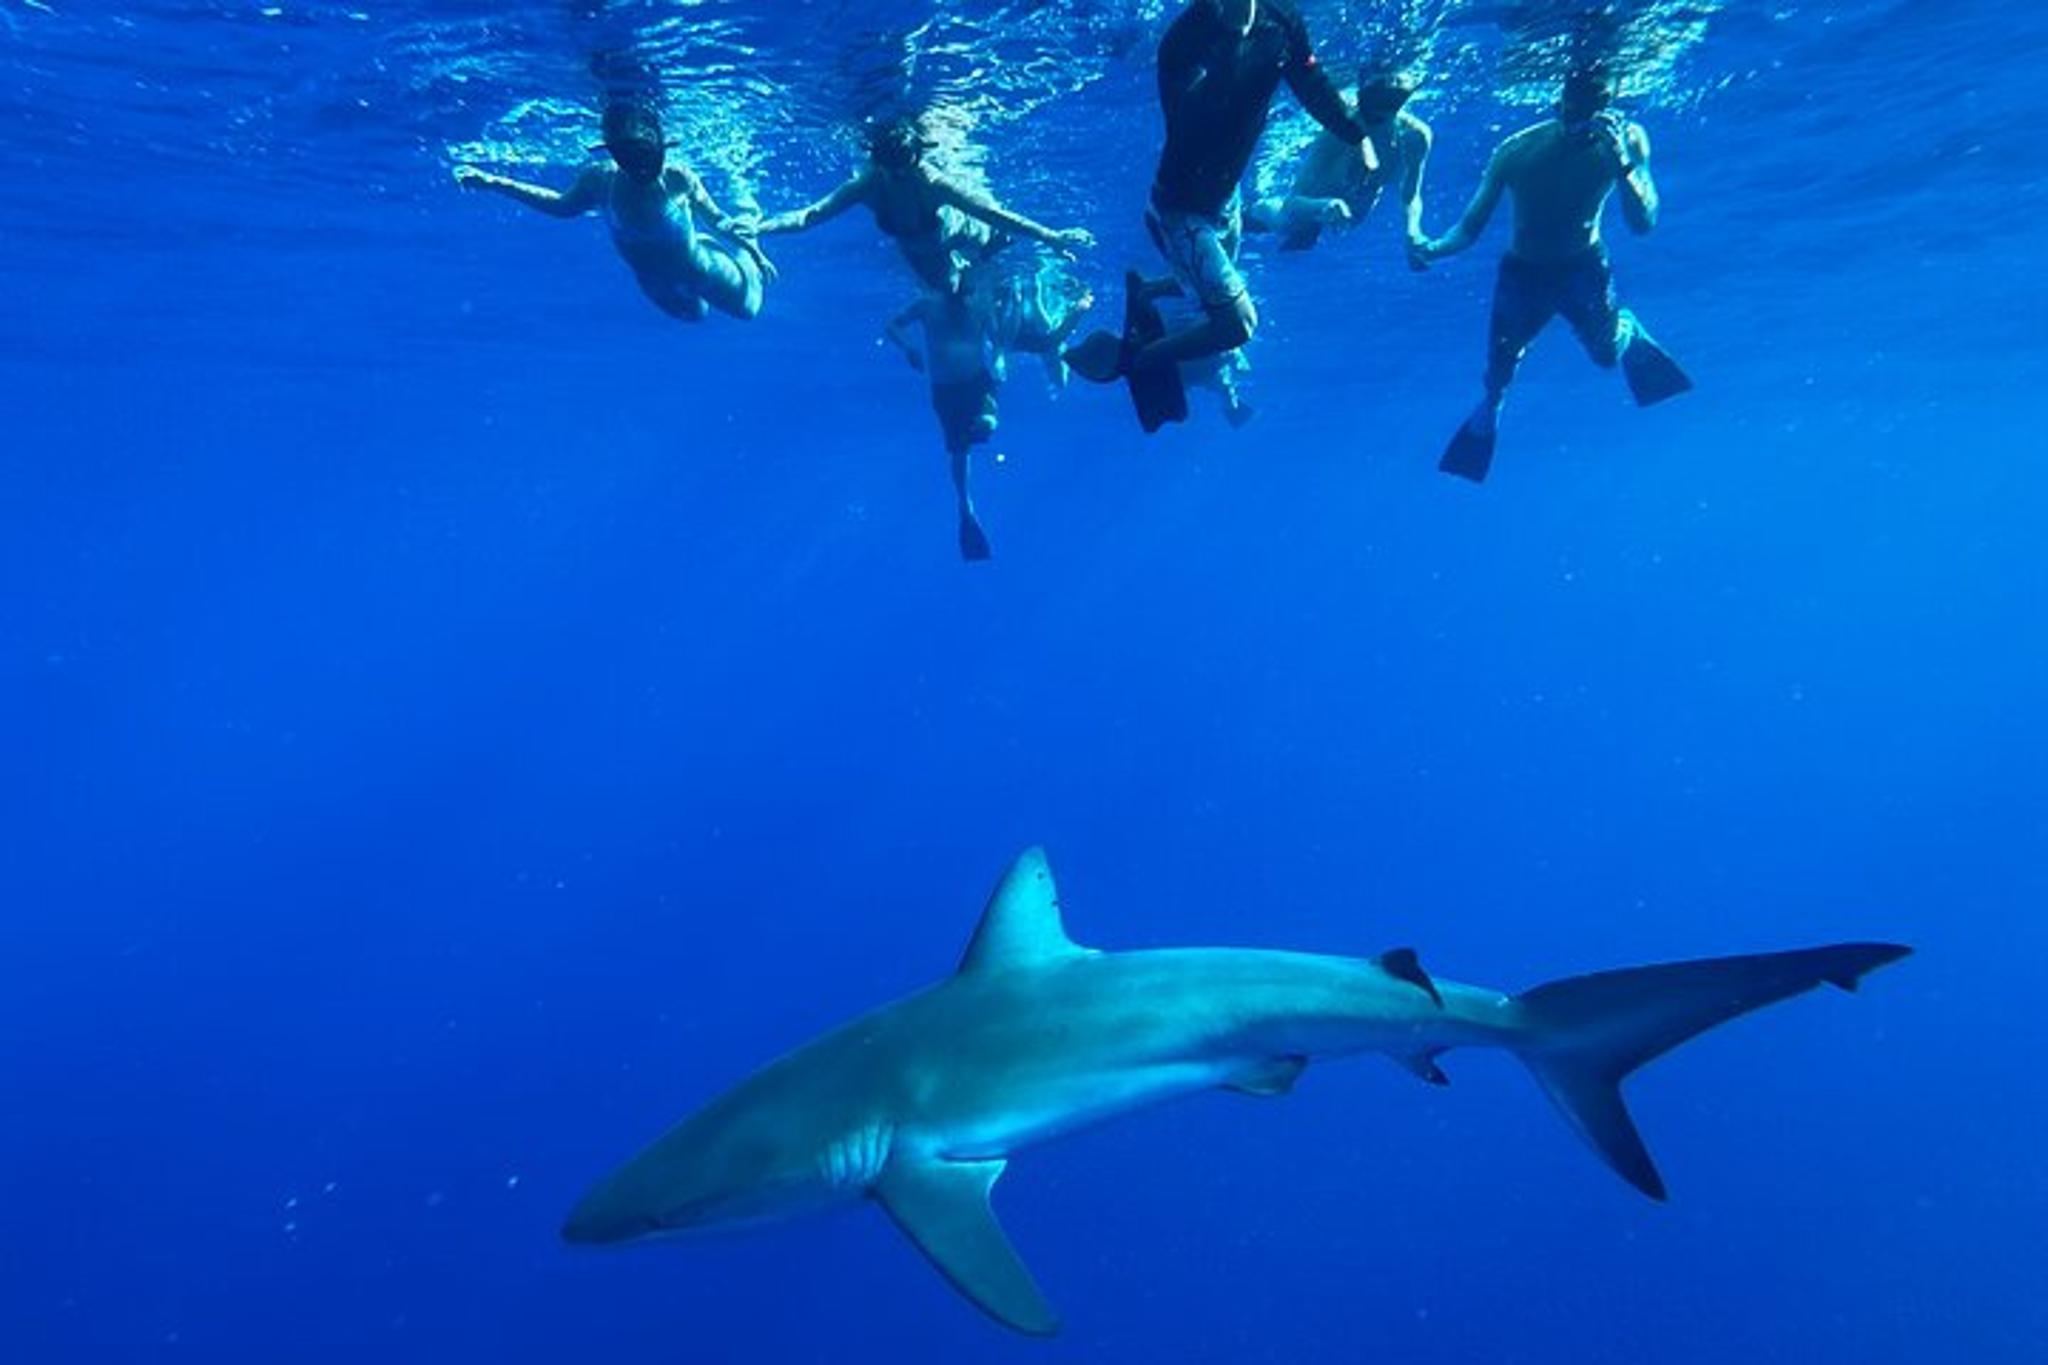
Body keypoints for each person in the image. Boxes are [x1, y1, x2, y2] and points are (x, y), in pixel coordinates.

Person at [1066, 0, 1377, 429]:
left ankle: (1151, 291)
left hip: (1225, 200)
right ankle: (1141, 356)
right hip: (1182, 210)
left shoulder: (1283, 21)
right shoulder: (1183, 42)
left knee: (1209, 296)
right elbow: (1193, 125)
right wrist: (1232, 47)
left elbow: (1309, 78)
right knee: (1237, 326)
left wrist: (1356, 135)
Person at [1411, 66, 1692, 482]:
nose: (1582, 119)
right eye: (1575, 107)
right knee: (1498, 377)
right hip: (1522, 274)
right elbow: (1471, 227)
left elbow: (1643, 222)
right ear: (1558, 102)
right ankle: (1490, 411)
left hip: (1584, 267)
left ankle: (1625, 328)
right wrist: (1432, 248)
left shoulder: (1629, 141)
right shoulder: (1516, 150)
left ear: (1610, 105)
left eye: (1596, 107)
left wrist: (1622, 166)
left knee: (1607, 357)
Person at [454, 101, 772, 322]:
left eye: (646, 154)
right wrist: (495, 183)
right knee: (694, 315)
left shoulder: (677, 177)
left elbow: (717, 220)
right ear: (613, 154)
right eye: (628, 156)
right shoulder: (600, 180)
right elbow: (561, 207)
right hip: (652, 281)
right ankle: (708, 245)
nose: (642, 166)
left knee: (749, 311)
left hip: (700, 268)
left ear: (663, 145)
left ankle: (749, 212)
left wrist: (752, 252)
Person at [749, 117, 1094, 293]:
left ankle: (987, 257)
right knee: (946, 290)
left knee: (990, 239)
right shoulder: (865, 185)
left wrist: (1051, 237)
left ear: (918, 158)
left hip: (963, 229)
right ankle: (969, 270)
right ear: (879, 165)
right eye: (894, 172)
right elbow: (810, 215)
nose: (905, 177)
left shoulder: (932, 183)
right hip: (922, 250)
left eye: (910, 168)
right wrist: (760, 227)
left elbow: (991, 213)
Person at [883, 282, 1010, 561]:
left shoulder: (982, 299)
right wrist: (908, 348)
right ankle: (966, 506)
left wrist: (1000, 360)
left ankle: (988, 421)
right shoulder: (927, 302)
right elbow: (892, 325)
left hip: (977, 380)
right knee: (960, 449)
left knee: (986, 421)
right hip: (946, 389)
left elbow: (997, 339)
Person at [1246, 69, 1433, 254]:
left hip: (1349, 215)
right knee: (1284, 224)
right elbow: (1292, 203)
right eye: (1365, 112)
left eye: (1377, 116)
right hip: (1311, 205)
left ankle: (1308, 230)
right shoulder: (1340, 130)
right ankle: (1250, 214)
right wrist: (1324, 205)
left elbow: (1410, 194)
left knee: (1299, 230)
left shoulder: (1415, 137)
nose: (1367, 122)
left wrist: (1413, 231)